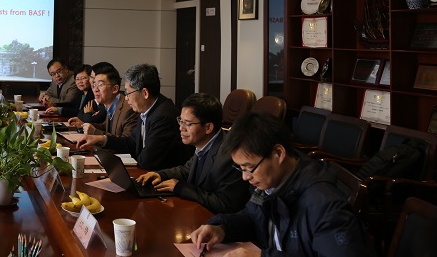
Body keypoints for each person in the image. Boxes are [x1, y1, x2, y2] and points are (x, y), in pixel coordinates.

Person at [190, 112, 375, 257]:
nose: (245, 177)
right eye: (241, 169)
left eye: (249, 168)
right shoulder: (271, 182)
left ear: (278, 153)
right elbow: (253, 218)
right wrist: (222, 228)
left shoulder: (324, 205)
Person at [135, 93, 249, 213]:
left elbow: (225, 204)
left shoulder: (229, 157)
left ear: (208, 127)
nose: (181, 128)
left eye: (188, 123)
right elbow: (186, 170)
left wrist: (180, 188)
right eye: (181, 121)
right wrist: (160, 175)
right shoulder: (204, 144)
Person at [77, 64, 190, 170]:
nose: (126, 98)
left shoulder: (163, 116)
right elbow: (132, 142)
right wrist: (100, 139)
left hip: (161, 177)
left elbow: (146, 161)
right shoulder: (147, 108)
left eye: (128, 93)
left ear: (145, 93)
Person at [67, 63, 137, 138]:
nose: (95, 89)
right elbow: (105, 127)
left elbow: (127, 142)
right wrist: (82, 125)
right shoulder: (110, 103)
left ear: (115, 89)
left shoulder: (129, 109)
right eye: (94, 85)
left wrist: (94, 132)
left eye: (100, 85)